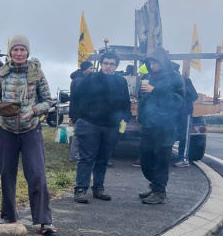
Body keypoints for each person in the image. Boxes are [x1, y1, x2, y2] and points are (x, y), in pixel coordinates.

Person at [0, 35, 56, 235]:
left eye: (22, 50)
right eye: (15, 50)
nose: (19, 53)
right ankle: (9, 217)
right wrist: (0, 109)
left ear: (28, 52)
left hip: (30, 129)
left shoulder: (37, 73)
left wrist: (34, 111)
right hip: (6, 130)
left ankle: (44, 220)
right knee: (7, 174)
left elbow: (47, 101)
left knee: (36, 173)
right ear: (10, 52)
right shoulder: (1, 73)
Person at [69, 52, 130, 203]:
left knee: (103, 159)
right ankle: (80, 189)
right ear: (101, 64)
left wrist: (124, 119)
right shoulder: (91, 78)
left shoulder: (121, 81)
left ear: (116, 66)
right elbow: (76, 96)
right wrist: (81, 115)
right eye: (106, 63)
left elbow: (125, 102)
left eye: (112, 64)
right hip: (90, 124)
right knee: (87, 158)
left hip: (111, 127)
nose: (108, 66)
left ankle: (98, 189)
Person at [137, 48, 186, 204]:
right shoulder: (148, 77)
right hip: (148, 123)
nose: (152, 65)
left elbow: (178, 101)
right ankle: (155, 185)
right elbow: (143, 99)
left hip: (165, 125)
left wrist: (155, 91)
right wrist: (141, 115)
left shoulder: (175, 78)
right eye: (150, 63)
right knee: (145, 157)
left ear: (163, 62)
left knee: (161, 158)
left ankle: (160, 192)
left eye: (155, 62)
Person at [68, 61, 94, 162]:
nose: (92, 71)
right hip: (78, 111)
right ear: (85, 69)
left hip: (77, 111)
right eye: (90, 69)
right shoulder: (79, 80)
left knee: (79, 133)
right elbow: (83, 95)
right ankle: (74, 156)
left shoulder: (78, 78)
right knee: (78, 134)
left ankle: (76, 155)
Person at [174, 70, 198, 167]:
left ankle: (183, 159)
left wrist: (182, 103)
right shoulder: (168, 80)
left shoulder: (185, 80)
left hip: (185, 112)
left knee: (184, 135)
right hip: (172, 112)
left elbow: (194, 95)